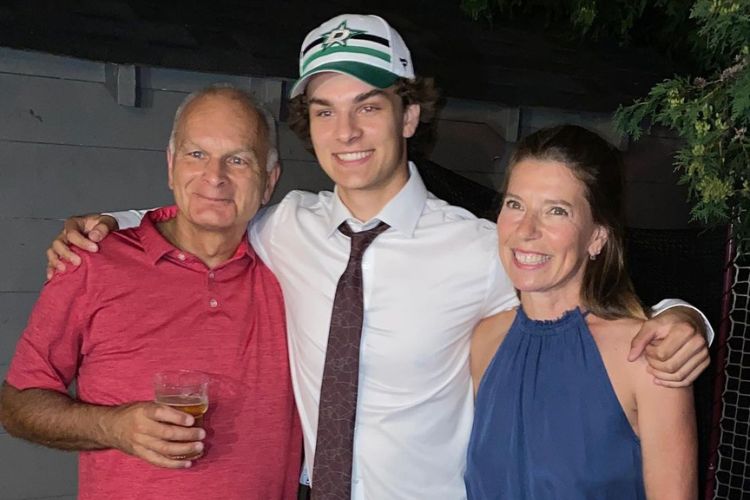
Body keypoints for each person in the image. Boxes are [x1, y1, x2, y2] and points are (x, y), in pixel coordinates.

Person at [43, 14, 710, 500]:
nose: (348, 132)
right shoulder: (285, 228)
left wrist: (683, 318)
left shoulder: (483, 246)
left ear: (410, 115)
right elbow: (211, 212)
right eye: (326, 111)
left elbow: (582, 294)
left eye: (369, 106)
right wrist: (118, 221)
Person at [0, 85, 302, 499]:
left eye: (237, 159)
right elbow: (16, 405)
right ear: (171, 166)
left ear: (269, 182)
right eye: (197, 155)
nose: (214, 177)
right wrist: (114, 427)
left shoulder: (297, 272)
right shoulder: (91, 261)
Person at [465, 125, 697, 498]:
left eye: (556, 211)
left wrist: (687, 317)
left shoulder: (647, 356)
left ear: (597, 237)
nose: (526, 230)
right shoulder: (484, 340)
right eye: (515, 204)